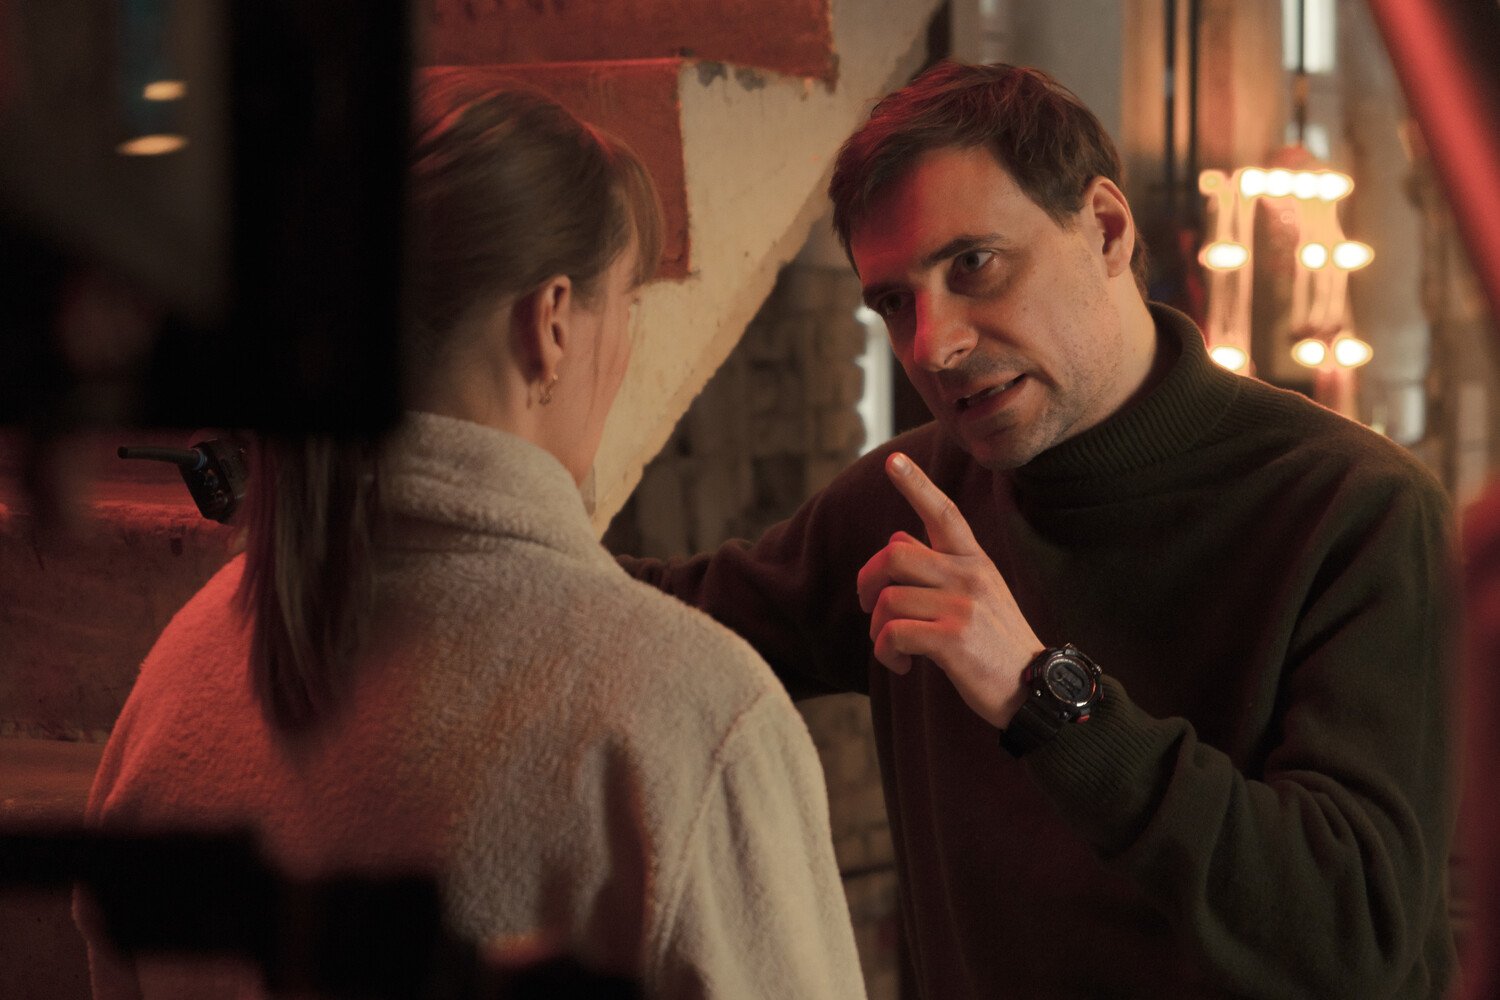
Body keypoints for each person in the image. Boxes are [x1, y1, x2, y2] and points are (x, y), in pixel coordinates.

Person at [623, 61, 1458, 998]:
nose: (933, 345)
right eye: (895, 302)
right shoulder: (907, 501)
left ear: (1105, 228)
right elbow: (646, 626)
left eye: (973, 265)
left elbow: (1354, 934)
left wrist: (1042, 693)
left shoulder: (1358, 507)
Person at [76, 71, 866, 1000]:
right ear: (552, 323)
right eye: (630, 303)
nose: (628, 346)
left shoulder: (180, 674)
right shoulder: (688, 721)